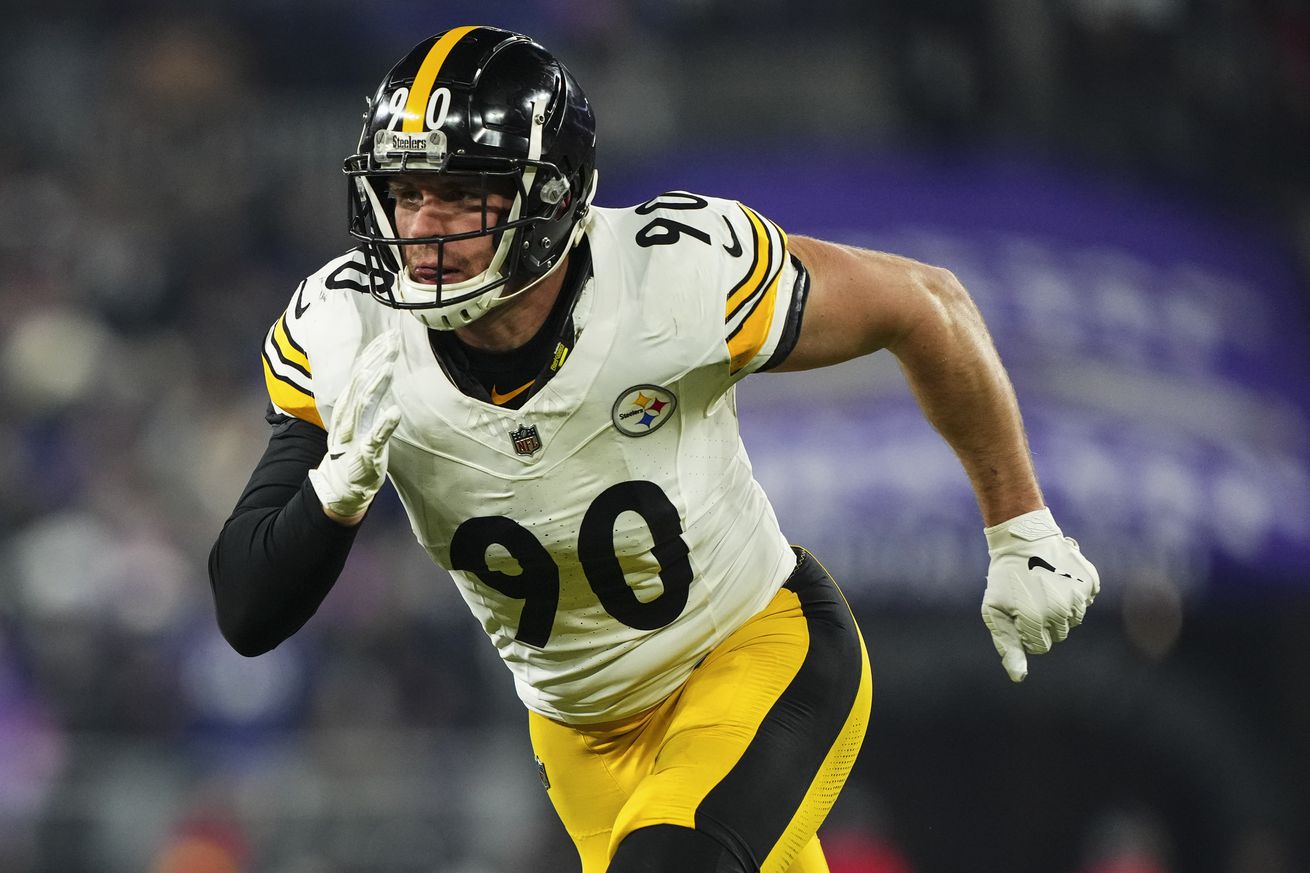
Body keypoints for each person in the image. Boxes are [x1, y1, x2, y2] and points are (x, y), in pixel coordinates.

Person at [208, 25, 1100, 873]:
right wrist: (335, 493)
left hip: (756, 652)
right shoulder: (348, 328)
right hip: (580, 737)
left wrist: (1019, 521)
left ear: (550, 196)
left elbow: (925, 303)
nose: (425, 228)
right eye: (407, 194)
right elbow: (247, 608)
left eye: (462, 194)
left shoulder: (672, 276)